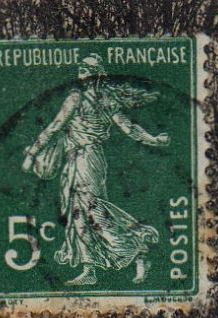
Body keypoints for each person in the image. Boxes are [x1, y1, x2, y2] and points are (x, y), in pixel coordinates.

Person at [22, 55, 170, 286]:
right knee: (78, 212)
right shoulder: (106, 99)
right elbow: (129, 129)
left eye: (85, 69)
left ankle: (136, 249)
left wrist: (32, 154)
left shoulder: (76, 98)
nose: (82, 73)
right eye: (82, 68)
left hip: (84, 159)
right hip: (86, 159)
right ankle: (90, 267)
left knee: (90, 210)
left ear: (92, 75)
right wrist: (154, 140)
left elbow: (55, 127)